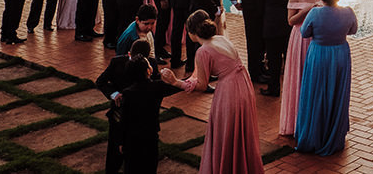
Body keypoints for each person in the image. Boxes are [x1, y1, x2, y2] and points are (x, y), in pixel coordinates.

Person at [162, 11, 264, 174]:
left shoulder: (203, 51)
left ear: (191, 32)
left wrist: (176, 82)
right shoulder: (221, 39)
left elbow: (202, 85)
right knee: (241, 132)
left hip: (229, 92)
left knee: (227, 133)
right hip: (244, 85)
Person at [295, 0, 358, 156]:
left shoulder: (315, 12)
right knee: (337, 92)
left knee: (316, 92)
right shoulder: (348, 12)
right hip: (340, 55)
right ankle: (333, 133)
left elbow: (304, 33)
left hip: (319, 55)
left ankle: (315, 134)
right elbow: (353, 30)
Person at [97, 38, 157, 174]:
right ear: (129, 54)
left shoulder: (152, 64)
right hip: (120, 114)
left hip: (142, 118)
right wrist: (114, 93)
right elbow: (101, 81)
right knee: (115, 150)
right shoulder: (117, 63)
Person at [279, 0, 323, 136]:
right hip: (301, 37)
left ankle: (315, 120)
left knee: (315, 77)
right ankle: (296, 120)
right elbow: (290, 21)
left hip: (318, 37)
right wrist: (307, 9)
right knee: (300, 75)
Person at [118, 53, 181, 174]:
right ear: (148, 71)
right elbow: (177, 87)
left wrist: (121, 141)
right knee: (149, 167)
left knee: (131, 168)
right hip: (150, 136)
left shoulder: (127, 93)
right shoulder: (157, 87)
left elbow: (124, 119)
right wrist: (175, 80)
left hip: (132, 139)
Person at [257, 0, 298, 97]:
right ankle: (292, 88)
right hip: (288, 24)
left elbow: (260, 5)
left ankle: (273, 89)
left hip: (271, 26)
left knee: (273, 61)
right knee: (289, 58)